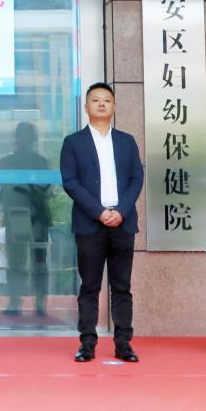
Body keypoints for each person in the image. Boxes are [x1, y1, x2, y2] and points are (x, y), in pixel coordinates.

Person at [59, 82, 144, 364]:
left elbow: (136, 178)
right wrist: (98, 211)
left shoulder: (126, 141)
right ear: (86, 107)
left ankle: (123, 343)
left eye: (107, 100)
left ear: (114, 106)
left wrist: (121, 210)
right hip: (90, 224)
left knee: (122, 286)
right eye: (95, 100)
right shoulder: (73, 142)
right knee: (90, 286)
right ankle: (87, 343)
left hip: (123, 223)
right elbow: (70, 181)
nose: (101, 104)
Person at [0, 122, 52, 315]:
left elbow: (46, 189)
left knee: (34, 260)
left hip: (33, 216)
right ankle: (21, 302)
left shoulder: (39, 162)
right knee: (22, 260)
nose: (24, 139)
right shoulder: (12, 162)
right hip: (21, 215)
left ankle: (30, 302)